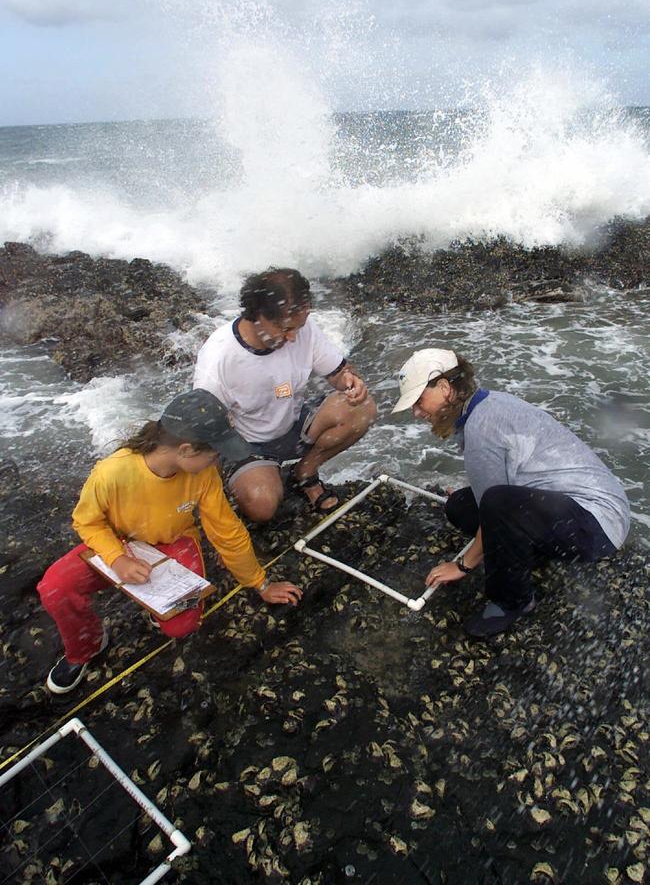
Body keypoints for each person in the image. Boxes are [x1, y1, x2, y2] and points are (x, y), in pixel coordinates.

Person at [38, 389, 302, 694]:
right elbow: (87, 521)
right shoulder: (112, 473)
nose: (216, 461)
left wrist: (261, 583)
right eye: (214, 454)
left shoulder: (203, 475)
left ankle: (157, 606)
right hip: (119, 542)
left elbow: (227, 531)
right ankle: (86, 647)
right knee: (55, 587)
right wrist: (117, 558)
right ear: (186, 449)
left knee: (183, 624)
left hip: (174, 542)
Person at [393, 348, 630, 637]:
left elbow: (495, 504)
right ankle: (529, 550)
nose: (417, 412)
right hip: (574, 511)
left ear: (445, 388)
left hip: (598, 526)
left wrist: (463, 565)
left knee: (494, 503)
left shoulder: (481, 427)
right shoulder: (488, 403)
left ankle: (513, 601)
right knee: (460, 504)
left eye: (418, 401)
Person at [193, 267, 377, 521]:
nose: (292, 338)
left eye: (297, 328)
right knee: (262, 507)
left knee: (362, 408)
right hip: (246, 443)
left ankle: (305, 473)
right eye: (284, 329)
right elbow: (205, 432)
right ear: (257, 315)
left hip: (293, 425)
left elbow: (338, 371)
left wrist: (350, 381)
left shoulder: (303, 329)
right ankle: (250, 475)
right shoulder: (219, 357)